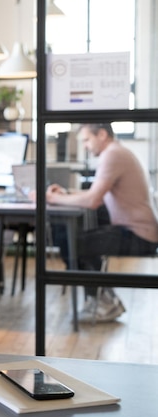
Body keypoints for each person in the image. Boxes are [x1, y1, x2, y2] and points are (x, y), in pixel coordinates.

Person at [44, 123, 158, 322]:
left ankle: (104, 303)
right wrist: (66, 194)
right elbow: (95, 195)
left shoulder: (113, 155)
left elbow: (92, 201)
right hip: (134, 229)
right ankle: (105, 300)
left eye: (87, 140)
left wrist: (53, 199)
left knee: (72, 244)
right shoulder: (117, 152)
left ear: (103, 134)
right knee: (75, 242)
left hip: (138, 234)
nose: (85, 146)